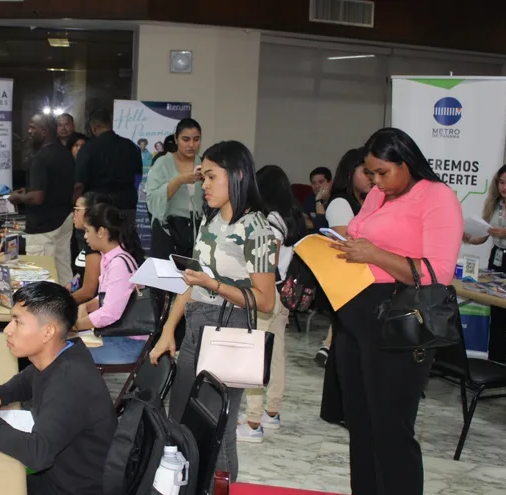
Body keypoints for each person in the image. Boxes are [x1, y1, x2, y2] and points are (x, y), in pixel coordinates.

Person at [331, 127, 462, 495]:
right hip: (356, 316)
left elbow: (438, 273)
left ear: (407, 163)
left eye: (383, 172)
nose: (376, 181)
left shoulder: (437, 197)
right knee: (360, 424)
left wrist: (375, 255)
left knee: (391, 428)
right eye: (371, 174)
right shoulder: (377, 195)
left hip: (401, 322)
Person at [150, 140, 277, 482]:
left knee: (215, 429)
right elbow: (191, 284)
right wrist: (167, 332)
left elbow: (266, 301)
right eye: (202, 177)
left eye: (210, 176)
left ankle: (217, 488)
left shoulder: (256, 229)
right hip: (194, 327)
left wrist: (214, 283)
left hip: (228, 329)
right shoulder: (210, 222)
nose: (203, 184)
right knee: (179, 421)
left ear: (236, 176)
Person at [0, 282, 117, 495]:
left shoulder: (70, 383)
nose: (8, 331)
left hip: (70, 488)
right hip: (59, 476)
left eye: (17, 322)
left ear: (47, 332)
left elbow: (38, 453)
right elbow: (26, 381)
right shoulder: (61, 354)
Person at [236, 164, 305, 443]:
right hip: (282, 293)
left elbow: (267, 261)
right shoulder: (289, 218)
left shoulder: (270, 222)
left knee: (256, 356)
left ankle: (253, 422)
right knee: (276, 355)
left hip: (266, 293)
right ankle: (272, 412)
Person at [464, 162, 506, 380]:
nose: (505, 187)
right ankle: (496, 360)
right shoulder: (495, 204)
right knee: (498, 311)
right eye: (502, 182)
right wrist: (468, 238)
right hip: (498, 258)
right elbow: (485, 234)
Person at [318, 147, 371, 427]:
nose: (372, 178)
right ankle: (339, 409)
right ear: (351, 173)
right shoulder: (340, 201)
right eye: (367, 172)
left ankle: (340, 408)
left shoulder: (365, 202)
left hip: (359, 282)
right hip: (346, 282)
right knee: (344, 347)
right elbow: (346, 239)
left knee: (347, 347)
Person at [75, 203, 148, 365]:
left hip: (128, 342)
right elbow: (107, 298)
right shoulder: (110, 258)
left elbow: (110, 313)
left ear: (101, 232)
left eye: (87, 231)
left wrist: (75, 326)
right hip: (116, 336)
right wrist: (86, 307)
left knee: (66, 355)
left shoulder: (119, 264)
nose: (85, 236)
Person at [9, 114, 75, 287]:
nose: (29, 131)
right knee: (63, 270)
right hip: (64, 220)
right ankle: (68, 308)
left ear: (44, 131)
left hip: (43, 227)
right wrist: (28, 191)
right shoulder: (64, 153)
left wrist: (18, 197)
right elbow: (53, 185)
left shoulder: (40, 157)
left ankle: (42, 313)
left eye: (32, 127)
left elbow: (38, 198)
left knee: (39, 278)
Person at [146, 119, 204, 260]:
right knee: (165, 276)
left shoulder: (203, 163)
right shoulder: (162, 163)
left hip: (196, 231)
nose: (191, 145)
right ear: (176, 140)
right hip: (168, 231)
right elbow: (152, 200)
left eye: (196, 140)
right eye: (185, 139)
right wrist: (178, 181)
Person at [74, 108, 143, 216]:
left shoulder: (87, 149)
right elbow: (138, 176)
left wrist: (75, 206)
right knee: (125, 232)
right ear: (110, 124)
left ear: (93, 127)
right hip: (126, 204)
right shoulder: (131, 146)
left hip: (97, 206)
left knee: (97, 233)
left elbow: (79, 183)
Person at [69, 192, 112, 304]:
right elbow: (81, 276)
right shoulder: (88, 242)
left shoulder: (96, 247)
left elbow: (88, 292)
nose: (73, 214)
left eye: (77, 209)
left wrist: (61, 305)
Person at [304, 166, 332, 231]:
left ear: (330, 183)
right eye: (313, 183)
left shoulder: (337, 200)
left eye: (321, 182)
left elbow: (323, 228)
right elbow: (302, 220)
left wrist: (318, 201)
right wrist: (316, 225)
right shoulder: (311, 197)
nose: (317, 186)